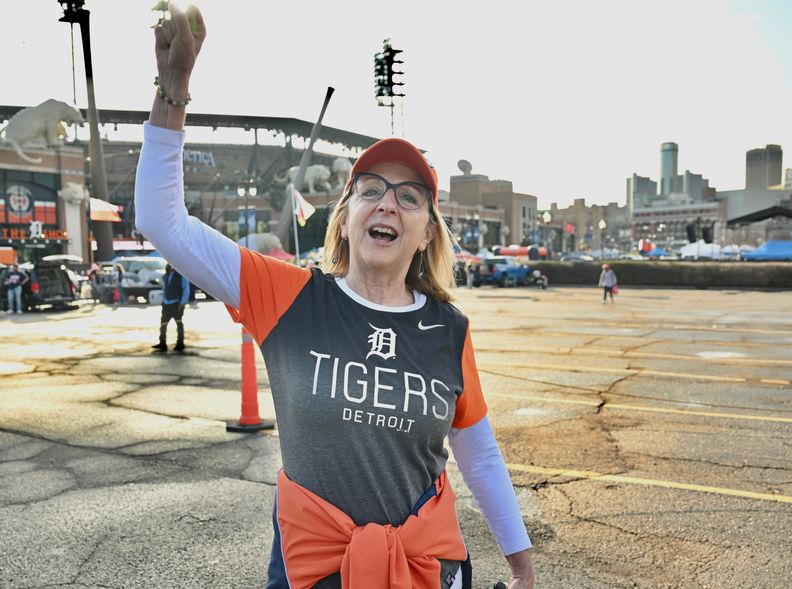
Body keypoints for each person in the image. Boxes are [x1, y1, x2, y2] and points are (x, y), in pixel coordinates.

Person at [134, 6, 534, 589]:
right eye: (370, 190)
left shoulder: (450, 330)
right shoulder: (287, 295)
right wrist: (172, 94)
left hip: (427, 567)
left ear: (425, 235)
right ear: (344, 220)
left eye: (410, 196)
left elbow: (478, 454)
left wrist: (522, 566)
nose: (388, 203)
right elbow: (162, 221)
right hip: (312, 568)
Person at [152, 263, 189, 352]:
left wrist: (183, 303)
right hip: (167, 303)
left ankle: (180, 344)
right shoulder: (167, 275)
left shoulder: (181, 276)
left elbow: (186, 289)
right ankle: (162, 343)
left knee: (179, 323)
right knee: (163, 324)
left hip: (176, 303)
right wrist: (163, 300)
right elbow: (165, 288)